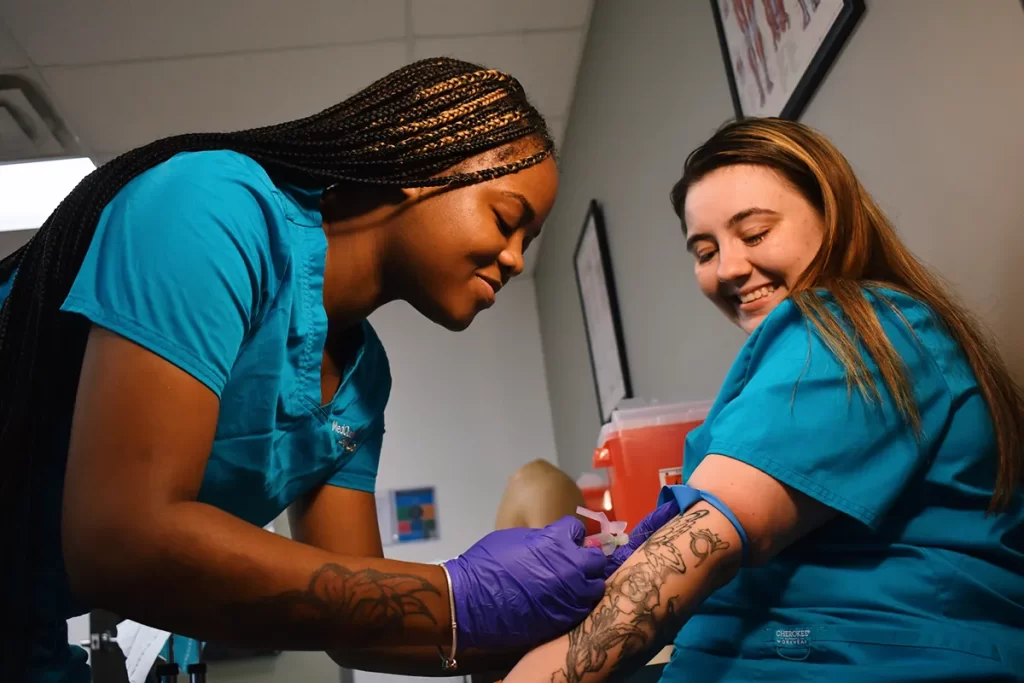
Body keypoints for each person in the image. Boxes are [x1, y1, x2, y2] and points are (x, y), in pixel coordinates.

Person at [0, 58, 676, 683]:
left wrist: (584, 604)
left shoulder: (362, 381)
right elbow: (120, 541)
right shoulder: (212, 212)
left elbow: (362, 634)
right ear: (420, 159)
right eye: (506, 220)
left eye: (528, 240)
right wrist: (457, 594)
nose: (516, 259)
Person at [503, 118, 1024, 681]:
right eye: (705, 251)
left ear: (833, 217)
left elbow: (701, 544)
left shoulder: (856, 329)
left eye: (753, 234)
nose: (728, 268)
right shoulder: (830, 346)